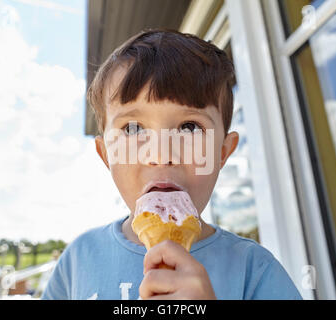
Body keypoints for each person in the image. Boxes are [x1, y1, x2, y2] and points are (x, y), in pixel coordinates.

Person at [41, 29, 303, 300]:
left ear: (222, 153)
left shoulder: (254, 270)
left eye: (189, 127)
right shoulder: (78, 261)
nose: (162, 154)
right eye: (132, 128)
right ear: (107, 155)